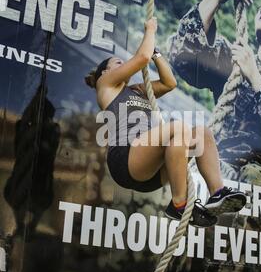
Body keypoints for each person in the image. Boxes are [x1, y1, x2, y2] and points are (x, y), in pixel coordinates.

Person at [85, 17, 246, 227]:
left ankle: (217, 192)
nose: (124, 66)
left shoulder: (137, 90)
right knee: (177, 128)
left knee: (201, 132)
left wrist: (156, 54)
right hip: (126, 160)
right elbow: (141, 58)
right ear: (105, 71)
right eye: (118, 63)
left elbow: (170, 83)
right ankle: (179, 204)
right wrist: (150, 30)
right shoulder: (105, 84)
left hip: (152, 171)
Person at [169, 0, 261, 190]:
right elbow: (183, 58)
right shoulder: (234, 59)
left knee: (252, 177)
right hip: (224, 171)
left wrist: (256, 79)